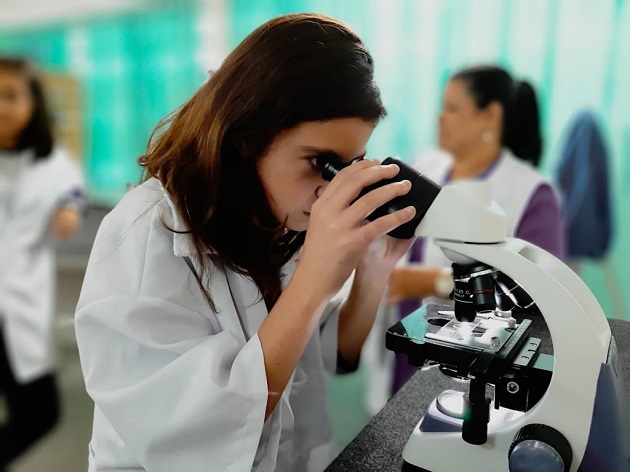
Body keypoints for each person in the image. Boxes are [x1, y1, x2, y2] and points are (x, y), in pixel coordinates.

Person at [74, 13, 418, 472]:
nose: (331, 189)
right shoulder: (142, 233)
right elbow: (203, 430)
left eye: (349, 164)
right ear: (247, 138)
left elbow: (333, 353)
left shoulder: (277, 220)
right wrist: (314, 279)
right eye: (321, 162)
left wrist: (375, 268)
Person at [386, 65, 565, 394]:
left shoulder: (532, 194)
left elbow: (541, 296)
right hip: (407, 355)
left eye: (453, 108)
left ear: (490, 116)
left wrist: (434, 282)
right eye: (442, 106)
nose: (441, 118)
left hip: (477, 366)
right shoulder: (425, 168)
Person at [0, 57, 85, 468]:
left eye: (11, 95)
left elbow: (73, 195)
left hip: (20, 306)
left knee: (38, 413)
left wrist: (68, 210)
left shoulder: (54, 163)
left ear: (32, 102)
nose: (1, 105)